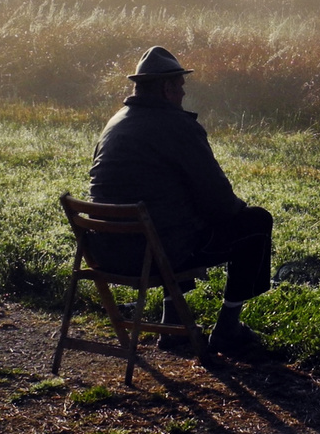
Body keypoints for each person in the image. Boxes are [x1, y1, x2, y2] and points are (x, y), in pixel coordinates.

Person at [88, 46, 273, 355]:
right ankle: (228, 329)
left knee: (171, 217)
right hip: (153, 254)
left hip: (107, 252)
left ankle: (173, 324)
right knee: (255, 223)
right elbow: (220, 202)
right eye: (181, 86)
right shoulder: (178, 127)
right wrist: (233, 211)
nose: (184, 93)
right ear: (167, 87)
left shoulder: (115, 124)